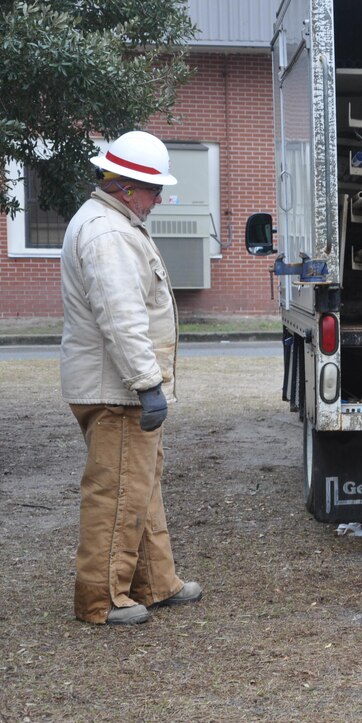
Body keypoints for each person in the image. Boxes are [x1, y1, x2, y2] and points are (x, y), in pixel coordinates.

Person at [60, 130, 203, 625]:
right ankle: (102, 600)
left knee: (139, 485)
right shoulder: (110, 233)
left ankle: (154, 581)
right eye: (152, 189)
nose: (158, 198)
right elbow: (121, 318)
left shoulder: (113, 223)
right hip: (117, 390)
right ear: (124, 186)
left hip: (118, 386)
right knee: (118, 491)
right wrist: (146, 384)